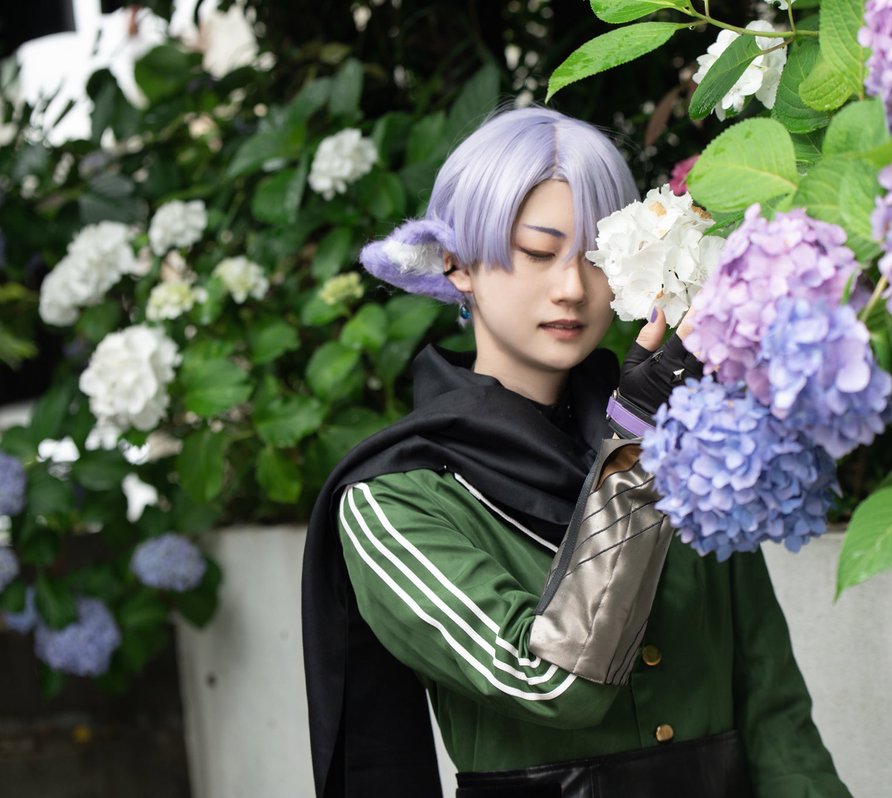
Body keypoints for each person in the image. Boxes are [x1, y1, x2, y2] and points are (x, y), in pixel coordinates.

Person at [302, 106, 851, 798]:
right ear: (456, 263)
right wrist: (637, 450)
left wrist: (648, 436)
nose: (571, 288)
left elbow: (774, 712)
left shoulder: (683, 438)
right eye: (538, 253)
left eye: (595, 256)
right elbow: (551, 682)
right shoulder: (394, 500)